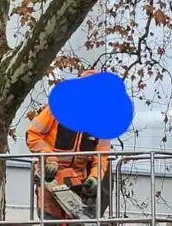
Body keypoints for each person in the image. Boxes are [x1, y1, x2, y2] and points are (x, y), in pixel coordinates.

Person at [26, 69, 111, 220]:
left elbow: (102, 156)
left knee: (83, 216)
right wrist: (49, 157)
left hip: (79, 180)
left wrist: (95, 177)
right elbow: (32, 134)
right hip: (50, 174)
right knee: (51, 217)